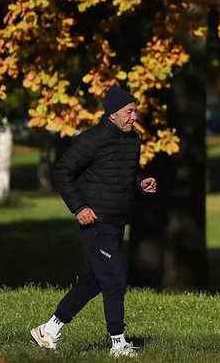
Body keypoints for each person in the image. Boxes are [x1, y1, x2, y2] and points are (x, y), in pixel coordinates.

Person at [30, 87, 157, 357]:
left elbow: (121, 177)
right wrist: (79, 207)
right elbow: (63, 172)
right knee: (114, 279)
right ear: (112, 114)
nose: (134, 117)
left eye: (135, 111)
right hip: (95, 222)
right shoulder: (90, 140)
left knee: (93, 281)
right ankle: (118, 343)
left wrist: (139, 184)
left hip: (117, 220)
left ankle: (48, 331)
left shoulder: (133, 140)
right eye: (129, 111)